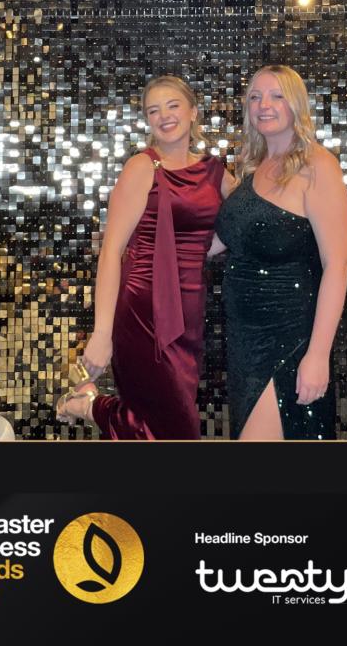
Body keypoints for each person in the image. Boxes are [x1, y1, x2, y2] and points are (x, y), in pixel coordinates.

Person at [56, 75, 236, 439]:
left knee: (159, 423)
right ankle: (92, 406)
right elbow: (111, 252)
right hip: (142, 310)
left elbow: (244, 222)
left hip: (189, 313)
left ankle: (89, 404)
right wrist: (102, 333)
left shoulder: (214, 171)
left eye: (173, 106)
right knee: (178, 429)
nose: (164, 116)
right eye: (154, 110)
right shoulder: (142, 166)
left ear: (193, 112)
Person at [211, 65, 347, 440]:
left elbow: (337, 266)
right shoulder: (253, 168)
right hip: (244, 340)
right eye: (255, 97)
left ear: (296, 105)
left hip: (289, 339)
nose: (264, 105)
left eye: (276, 96)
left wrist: (317, 355)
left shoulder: (317, 165)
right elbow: (215, 243)